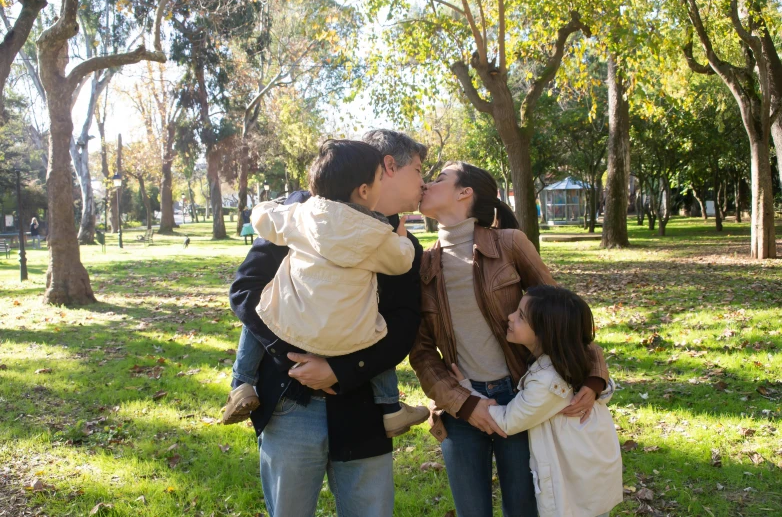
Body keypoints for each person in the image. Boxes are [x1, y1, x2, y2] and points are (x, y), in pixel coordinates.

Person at [228, 129, 428, 517]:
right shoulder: (304, 209)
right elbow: (247, 290)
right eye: (418, 170)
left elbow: (404, 322)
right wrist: (297, 359)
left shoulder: (399, 241)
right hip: (290, 401)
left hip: (363, 405)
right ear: (385, 169)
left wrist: (340, 369)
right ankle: (243, 382)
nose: (424, 181)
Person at [410, 161, 610, 517]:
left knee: (523, 508)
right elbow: (423, 353)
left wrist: (594, 377)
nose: (426, 183)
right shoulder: (422, 265)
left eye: (439, 178)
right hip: (460, 407)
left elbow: (562, 313)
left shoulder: (510, 244)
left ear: (464, 192)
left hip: (520, 397)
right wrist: (465, 404)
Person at [450, 286, 622, 517]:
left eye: (521, 316)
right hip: (589, 474)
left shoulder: (547, 381)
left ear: (545, 331)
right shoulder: (570, 362)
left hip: (576, 485)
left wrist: (466, 393)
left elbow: (508, 421)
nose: (510, 317)